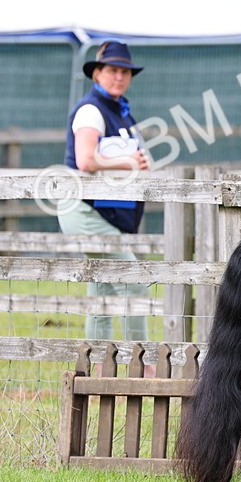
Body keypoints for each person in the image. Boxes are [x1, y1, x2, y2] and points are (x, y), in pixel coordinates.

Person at [60, 40, 153, 346]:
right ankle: (143, 365)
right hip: (86, 211)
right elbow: (86, 160)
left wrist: (138, 162)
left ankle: (98, 367)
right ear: (96, 74)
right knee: (133, 281)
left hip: (107, 212)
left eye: (125, 72)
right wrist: (129, 163)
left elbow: (127, 159)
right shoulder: (90, 110)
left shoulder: (122, 112)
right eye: (112, 70)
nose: (119, 77)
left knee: (102, 287)